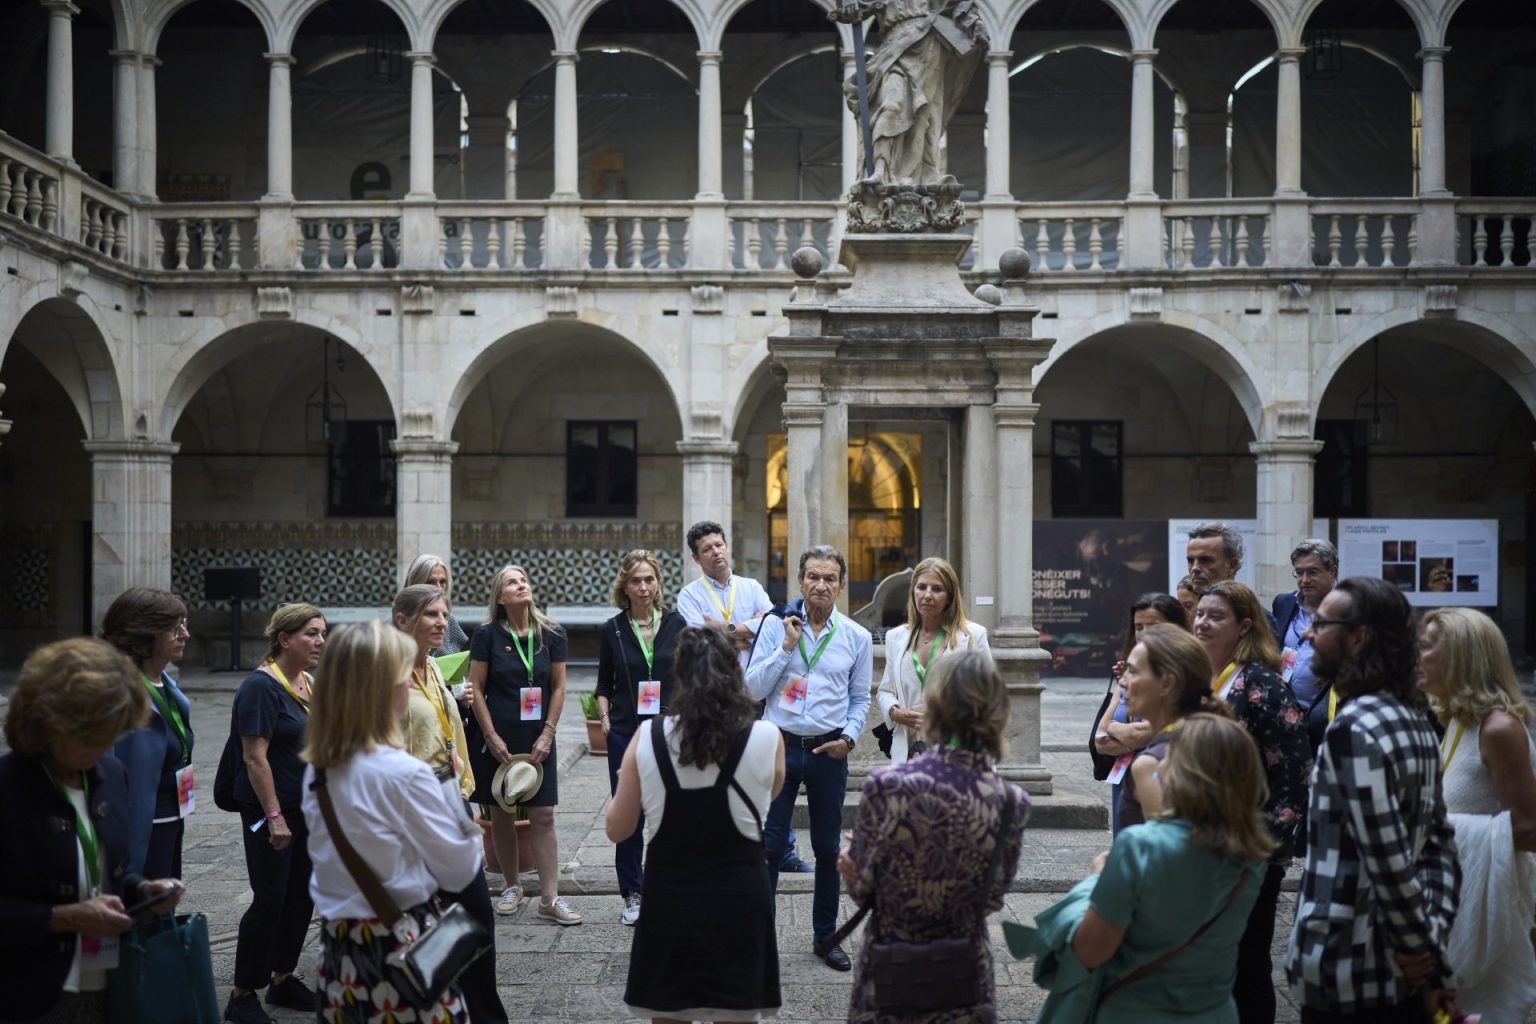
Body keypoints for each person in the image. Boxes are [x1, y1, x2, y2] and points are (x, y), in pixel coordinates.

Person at [1285, 577, 1460, 1023]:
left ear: (1357, 638)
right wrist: (1429, 947)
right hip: (1398, 975)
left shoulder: (1352, 730)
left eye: (1321, 624)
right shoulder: (1415, 719)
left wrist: (1418, 952)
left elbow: (1389, 862)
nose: (1308, 633)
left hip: (1350, 973)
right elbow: (1441, 849)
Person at [1024, 715, 1275, 1023]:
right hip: (1213, 1011)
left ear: (1187, 772)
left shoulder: (1139, 846)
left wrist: (1098, 881)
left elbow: (1088, 951)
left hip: (1138, 1010)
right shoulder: (1253, 851)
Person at [300, 620, 484, 1024]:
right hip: (399, 946)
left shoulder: (319, 769)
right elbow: (459, 872)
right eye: (405, 678)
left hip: (339, 951)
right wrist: (465, 829)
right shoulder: (403, 773)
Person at [0, 638, 185, 1024]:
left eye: (112, 733)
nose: (102, 746)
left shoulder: (110, 773)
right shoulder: (9, 787)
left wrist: (140, 891)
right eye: (89, 735)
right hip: (29, 991)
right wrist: (62, 917)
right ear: (46, 721)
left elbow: (107, 869)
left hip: (108, 983)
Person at [606, 626, 785, 1023]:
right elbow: (768, 797)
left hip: (671, 903)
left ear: (680, 677)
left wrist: (631, 776)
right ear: (735, 674)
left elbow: (617, 830)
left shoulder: (647, 737)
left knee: (669, 1013)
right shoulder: (768, 736)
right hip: (740, 902)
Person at [841, 651, 1029, 1023]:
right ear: (997, 710)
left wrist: (851, 867)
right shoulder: (1011, 801)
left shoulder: (888, 785)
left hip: (891, 967)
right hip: (964, 971)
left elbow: (862, 888)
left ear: (934, 706)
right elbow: (992, 898)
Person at [745, 544, 873, 971]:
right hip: (779, 746)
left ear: (840, 586)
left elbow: (859, 699)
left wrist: (849, 740)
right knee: (769, 845)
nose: (820, 585)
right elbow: (753, 690)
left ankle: (825, 936)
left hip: (828, 750)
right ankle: (759, 938)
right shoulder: (775, 627)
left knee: (827, 846)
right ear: (799, 582)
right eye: (812, 577)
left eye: (829, 578)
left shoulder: (854, 636)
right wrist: (785, 646)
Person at [1194, 581, 1310, 1024]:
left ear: (1244, 626)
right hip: (1198, 845)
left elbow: (1294, 773)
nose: (1202, 622)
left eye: (1215, 616)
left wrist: (1265, 845)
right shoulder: (1196, 677)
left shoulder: (1261, 683)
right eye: (1200, 614)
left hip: (1248, 851)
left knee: (1247, 964)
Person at [391, 584, 507, 1024]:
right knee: (432, 918)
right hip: (414, 810)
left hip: (450, 801)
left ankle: (476, 1011)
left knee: (473, 913)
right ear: (402, 621)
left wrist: (464, 795)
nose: (442, 622)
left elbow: (450, 737)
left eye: (444, 614)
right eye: (431, 615)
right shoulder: (389, 676)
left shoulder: (434, 670)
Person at [1418, 607, 1536, 1021]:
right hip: (1455, 895)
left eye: (1427, 646)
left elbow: (1528, 827)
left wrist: (1431, 831)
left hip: (1491, 908)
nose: (1417, 655)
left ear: (1461, 657)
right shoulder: (1456, 720)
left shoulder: (1498, 728)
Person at [224, 603, 327, 1024]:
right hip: (272, 813)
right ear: (285, 639)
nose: (320, 640)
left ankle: (282, 976)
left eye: (323, 633)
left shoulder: (308, 683)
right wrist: (274, 817)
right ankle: (243, 991)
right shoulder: (260, 688)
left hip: (307, 810)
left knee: (301, 896)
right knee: (270, 898)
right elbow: (254, 758)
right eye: (311, 633)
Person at [465, 564, 580, 925]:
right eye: (512, 582)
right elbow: (476, 690)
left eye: (524, 580)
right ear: (500, 597)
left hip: (538, 738)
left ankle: (550, 897)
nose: (521, 585)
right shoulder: (486, 635)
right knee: (500, 812)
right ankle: (512, 886)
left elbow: (559, 688)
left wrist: (548, 732)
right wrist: (490, 735)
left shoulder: (552, 633)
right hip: (498, 737)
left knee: (543, 814)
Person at [595, 549, 686, 927]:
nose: (644, 587)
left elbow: (687, 676)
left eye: (650, 579)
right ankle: (632, 892)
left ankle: (665, 887)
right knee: (629, 811)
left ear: (658, 584)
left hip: (668, 732)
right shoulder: (612, 629)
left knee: (670, 811)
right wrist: (602, 716)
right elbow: (604, 682)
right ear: (625, 587)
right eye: (636, 581)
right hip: (625, 733)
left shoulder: (677, 624)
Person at [827, 0, 988, 186]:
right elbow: (858, 5)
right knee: (891, 104)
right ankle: (881, 169)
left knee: (922, 114)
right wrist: (851, 7)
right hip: (894, 43)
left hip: (926, 40)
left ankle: (920, 175)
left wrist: (975, 23)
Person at [101, 587, 196, 879]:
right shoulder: (117, 692)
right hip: (139, 826)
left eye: (184, 625)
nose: (185, 635)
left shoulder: (167, 685)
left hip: (171, 818)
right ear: (144, 633)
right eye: (174, 628)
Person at [876, 556, 990, 762]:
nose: (927, 595)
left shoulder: (972, 636)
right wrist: (894, 712)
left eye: (937, 589)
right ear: (913, 591)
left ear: (950, 596)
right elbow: (885, 690)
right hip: (910, 752)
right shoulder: (896, 637)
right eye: (921, 587)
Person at [1111, 624, 1222, 832]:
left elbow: (1166, 855)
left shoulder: (1152, 763)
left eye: (1133, 672)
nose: (1123, 682)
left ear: (1167, 684)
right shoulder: (1216, 732)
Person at [1093, 593, 1189, 832]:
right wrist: (1127, 733)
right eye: (1139, 627)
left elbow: (1145, 733)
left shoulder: (1184, 673)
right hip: (1124, 778)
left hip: (1164, 776)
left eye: (1154, 626)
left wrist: (1123, 732)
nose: (1145, 634)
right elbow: (1101, 740)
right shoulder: (1130, 668)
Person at [675, 520, 773, 665]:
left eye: (719, 545)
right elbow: (700, 644)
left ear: (727, 547)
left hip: (755, 679)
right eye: (707, 549)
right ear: (696, 559)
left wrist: (723, 629)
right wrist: (750, 631)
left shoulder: (752, 587)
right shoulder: (689, 595)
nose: (716, 552)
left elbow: (772, 628)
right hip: (714, 680)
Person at [1270, 539, 1338, 717]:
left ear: (1332, 571)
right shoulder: (1283, 603)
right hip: (1285, 710)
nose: (1304, 580)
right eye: (1299, 573)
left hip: (1327, 713)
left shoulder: (1347, 607)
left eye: (1312, 572)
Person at [404, 553, 470, 657]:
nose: (438, 588)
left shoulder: (449, 621)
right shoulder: (399, 623)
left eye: (443, 582)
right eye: (431, 582)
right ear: (416, 583)